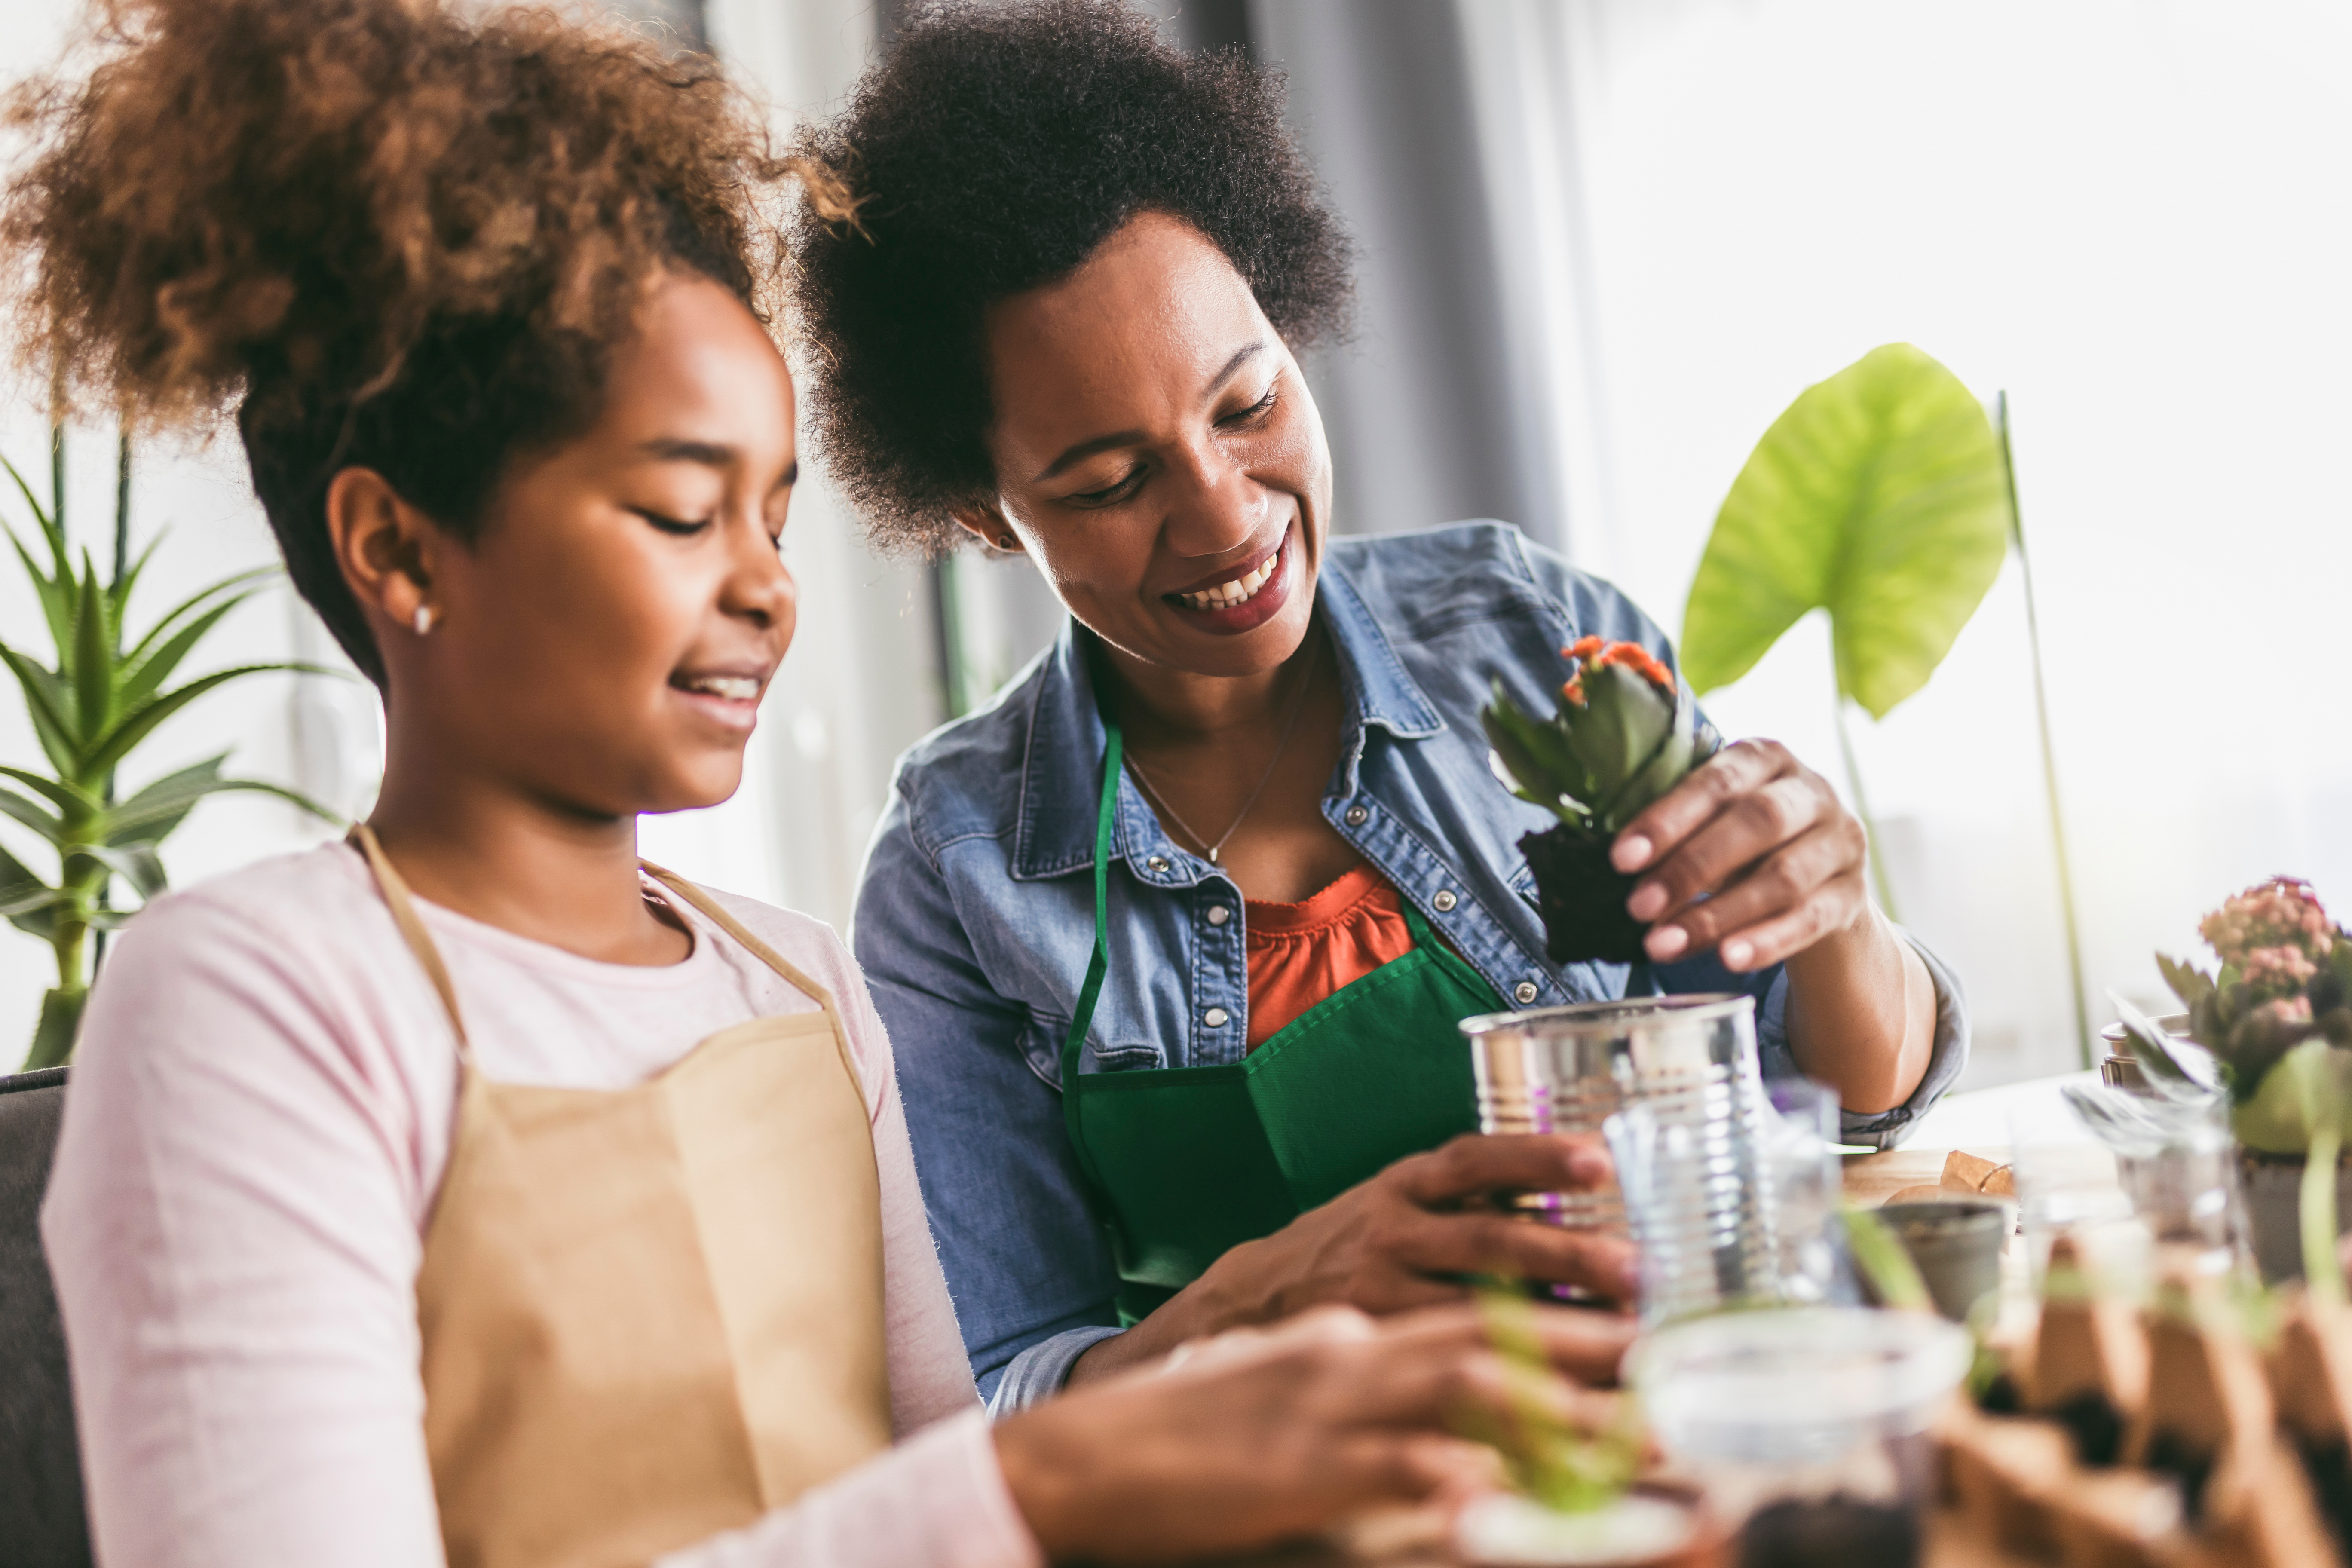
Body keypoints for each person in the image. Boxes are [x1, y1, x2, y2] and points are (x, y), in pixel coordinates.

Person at [7, 2, 1635, 1564]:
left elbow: (936, 1495)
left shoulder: (792, 982)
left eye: (774, 515)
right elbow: (976, 1505)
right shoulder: (256, 1000)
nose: (771, 590)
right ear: (392, 546)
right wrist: (1066, 1465)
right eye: (676, 513)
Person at [794, 0, 1971, 1410]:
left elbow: (1855, 1102)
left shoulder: (1533, 642)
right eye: (1111, 483)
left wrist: (1833, 918)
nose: (1224, 518)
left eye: (1246, 407)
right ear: (987, 520)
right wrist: (1267, 1295)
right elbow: (1007, 1399)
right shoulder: (958, 869)